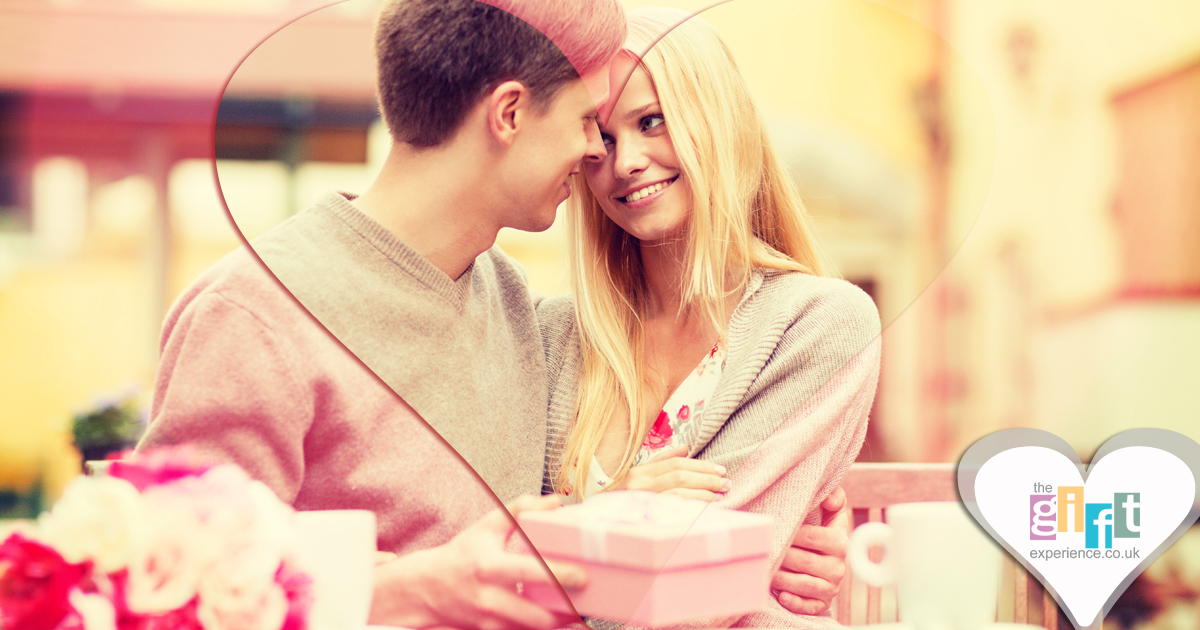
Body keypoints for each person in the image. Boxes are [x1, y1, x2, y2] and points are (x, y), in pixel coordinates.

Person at [140, 0, 846, 626]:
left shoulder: (512, 306)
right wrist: (404, 592)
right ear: (509, 114)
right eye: (586, 122)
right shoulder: (255, 312)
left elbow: (524, 529)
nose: (598, 153)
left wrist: (738, 550)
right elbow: (169, 582)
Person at [537, 7, 882, 627]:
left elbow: (697, 595)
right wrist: (609, 515)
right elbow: (486, 551)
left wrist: (574, 539)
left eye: (653, 122)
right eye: (602, 139)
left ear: (715, 121)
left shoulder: (823, 324)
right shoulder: (553, 333)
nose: (626, 162)